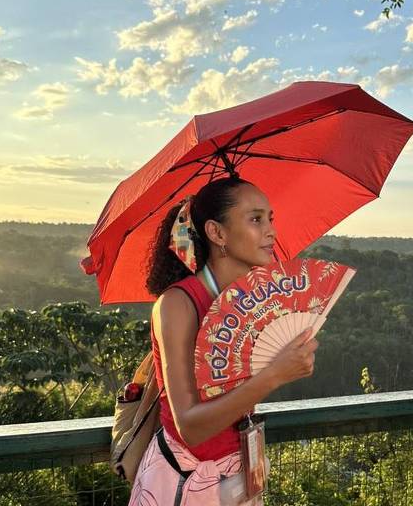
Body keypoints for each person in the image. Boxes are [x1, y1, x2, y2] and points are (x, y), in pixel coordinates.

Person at [128, 176, 318, 506]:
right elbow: (190, 428)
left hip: (240, 476)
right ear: (217, 233)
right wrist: (274, 374)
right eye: (256, 219)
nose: (271, 231)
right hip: (185, 485)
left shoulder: (247, 304)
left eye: (270, 218)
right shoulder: (179, 304)